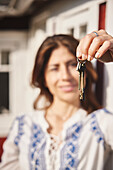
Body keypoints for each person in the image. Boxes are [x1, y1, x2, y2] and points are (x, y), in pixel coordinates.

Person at [0, 29, 113, 170]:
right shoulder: (23, 126)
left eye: (73, 64)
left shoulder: (103, 123)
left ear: (85, 71)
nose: (65, 76)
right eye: (54, 68)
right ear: (44, 78)